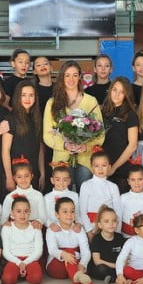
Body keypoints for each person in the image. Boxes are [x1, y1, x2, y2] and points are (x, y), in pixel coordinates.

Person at [43, 61, 104, 189]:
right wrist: (64, 145)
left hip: (86, 160)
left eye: (75, 75)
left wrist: (86, 146)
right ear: (61, 78)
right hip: (62, 160)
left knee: (86, 198)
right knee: (64, 201)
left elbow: (101, 134)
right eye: (67, 75)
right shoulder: (52, 103)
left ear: (80, 77)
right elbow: (47, 135)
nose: (71, 79)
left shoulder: (91, 101)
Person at [46, 198, 95, 284]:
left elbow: (85, 251)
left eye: (72, 211)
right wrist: (64, 254)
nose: (69, 214)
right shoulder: (52, 229)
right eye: (65, 212)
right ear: (57, 215)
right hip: (57, 266)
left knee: (74, 255)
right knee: (68, 252)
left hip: (76, 263)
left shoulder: (78, 229)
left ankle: (77, 279)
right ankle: (78, 277)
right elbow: (52, 250)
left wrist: (82, 264)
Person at [2, 80, 43, 191]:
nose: (27, 99)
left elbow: (40, 148)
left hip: (33, 172)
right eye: (23, 95)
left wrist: (42, 173)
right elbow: (5, 150)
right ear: (17, 97)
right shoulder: (11, 118)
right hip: (17, 174)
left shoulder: (37, 118)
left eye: (31, 95)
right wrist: (9, 177)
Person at [101, 77, 139, 193]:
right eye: (115, 90)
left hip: (121, 168)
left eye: (122, 92)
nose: (117, 94)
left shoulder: (130, 114)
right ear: (110, 90)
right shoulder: (102, 112)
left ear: (126, 95)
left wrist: (114, 167)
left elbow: (132, 145)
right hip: (102, 167)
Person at [1, 197, 44, 284]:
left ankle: (25, 272)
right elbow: (5, 251)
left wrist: (25, 263)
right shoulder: (7, 228)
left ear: (30, 212)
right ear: (12, 213)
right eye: (18, 211)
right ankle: (19, 272)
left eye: (26, 211)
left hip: (31, 259)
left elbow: (38, 251)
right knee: (7, 279)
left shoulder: (35, 228)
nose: (22, 214)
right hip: (14, 259)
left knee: (36, 279)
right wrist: (19, 263)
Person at [79, 151, 122, 239]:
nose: (100, 169)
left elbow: (118, 211)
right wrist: (89, 231)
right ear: (91, 168)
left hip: (109, 228)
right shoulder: (86, 185)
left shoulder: (113, 187)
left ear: (109, 167)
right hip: (91, 227)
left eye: (104, 165)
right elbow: (82, 210)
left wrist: (116, 231)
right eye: (96, 166)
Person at [0, 157, 47, 227]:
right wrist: (5, 223)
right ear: (14, 178)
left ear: (31, 176)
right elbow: (4, 217)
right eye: (19, 177)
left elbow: (43, 216)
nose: (23, 180)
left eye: (26, 176)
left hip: (33, 228)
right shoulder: (10, 196)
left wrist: (39, 221)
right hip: (15, 229)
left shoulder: (38, 195)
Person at [87, 205, 126, 283]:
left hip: (116, 266)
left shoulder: (120, 237)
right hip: (102, 266)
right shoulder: (96, 239)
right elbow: (97, 261)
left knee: (128, 269)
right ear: (100, 224)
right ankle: (115, 277)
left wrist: (122, 265)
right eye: (106, 221)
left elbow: (125, 256)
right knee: (101, 269)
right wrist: (115, 266)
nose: (111, 224)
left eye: (114, 221)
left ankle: (113, 277)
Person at [33, 56, 55, 191]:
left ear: (51, 68)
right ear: (34, 71)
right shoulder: (32, 89)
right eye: (38, 65)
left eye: (45, 63)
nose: (42, 66)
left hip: (57, 134)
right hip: (38, 132)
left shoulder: (59, 88)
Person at [120, 165, 143, 238]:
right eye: (133, 180)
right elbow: (118, 217)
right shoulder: (123, 198)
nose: (136, 183)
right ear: (128, 181)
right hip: (126, 237)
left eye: (140, 179)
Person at [43, 163, 79, 229]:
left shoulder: (74, 195)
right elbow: (44, 216)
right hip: (54, 228)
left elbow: (78, 213)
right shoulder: (47, 197)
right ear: (52, 180)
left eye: (65, 180)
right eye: (58, 179)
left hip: (71, 227)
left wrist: (79, 224)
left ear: (69, 181)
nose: (61, 182)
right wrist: (50, 225)